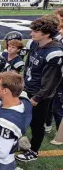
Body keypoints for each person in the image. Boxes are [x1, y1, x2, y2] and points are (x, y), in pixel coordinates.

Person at [16, 17, 63, 162]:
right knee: (24, 118)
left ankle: (34, 151)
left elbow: (51, 81)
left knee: (37, 124)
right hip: (29, 87)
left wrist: (37, 97)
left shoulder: (54, 52)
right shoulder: (35, 44)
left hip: (41, 94)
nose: (31, 33)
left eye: (36, 31)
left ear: (47, 33)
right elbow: (28, 66)